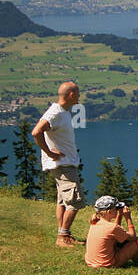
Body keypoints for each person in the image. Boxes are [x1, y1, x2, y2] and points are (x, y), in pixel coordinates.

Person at [32, 81, 86, 247]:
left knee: (63, 201)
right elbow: (36, 132)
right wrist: (49, 153)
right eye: (77, 94)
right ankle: (63, 237)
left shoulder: (62, 112)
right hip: (62, 165)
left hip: (64, 163)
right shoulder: (55, 112)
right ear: (71, 95)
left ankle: (64, 234)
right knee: (75, 200)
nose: (79, 97)